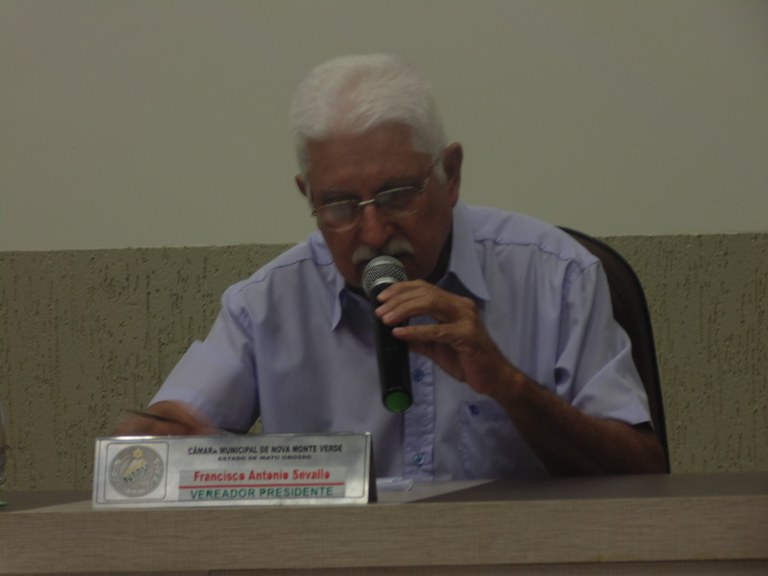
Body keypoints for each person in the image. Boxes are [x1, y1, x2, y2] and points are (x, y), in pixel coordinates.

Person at [115, 54, 666, 479]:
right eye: (340, 206)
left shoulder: (557, 276)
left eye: (398, 195)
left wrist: (509, 386)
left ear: (450, 175)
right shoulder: (264, 305)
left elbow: (641, 474)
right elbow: (163, 445)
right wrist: (160, 442)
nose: (374, 233)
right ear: (308, 196)